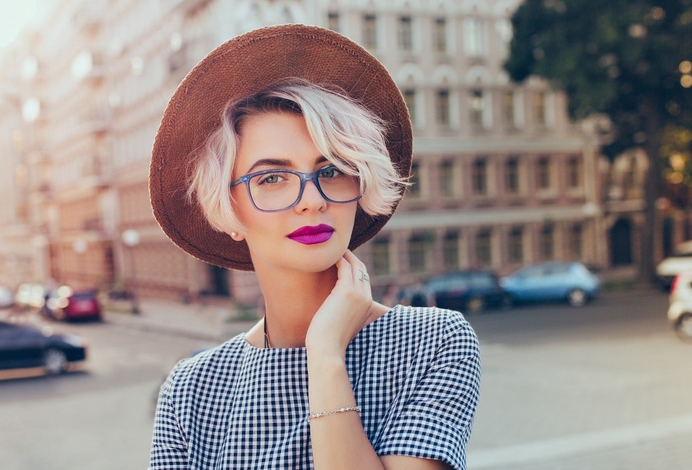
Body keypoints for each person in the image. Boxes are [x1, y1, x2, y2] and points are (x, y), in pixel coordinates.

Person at [148, 24, 480, 469]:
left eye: (331, 170)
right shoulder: (191, 391)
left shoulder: (433, 343)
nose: (312, 200)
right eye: (271, 178)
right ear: (229, 208)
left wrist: (325, 354)